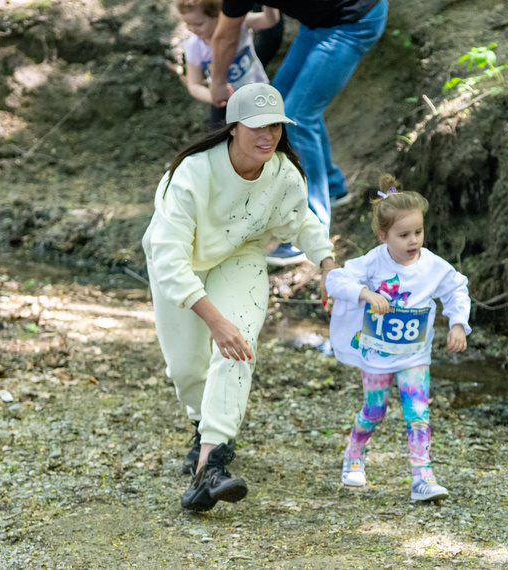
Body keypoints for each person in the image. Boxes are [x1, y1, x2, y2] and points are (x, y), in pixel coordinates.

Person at [142, 83, 336, 511]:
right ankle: (203, 431)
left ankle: (212, 461)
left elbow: (301, 222)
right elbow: (169, 258)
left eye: (275, 126)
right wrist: (214, 320)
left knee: (238, 345)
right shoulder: (193, 173)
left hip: (239, 255)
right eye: (256, 127)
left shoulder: (283, 173)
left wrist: (327, 265)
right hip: (181, 264)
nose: (267, 135)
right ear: (233, 128)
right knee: (185, 367)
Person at [208, 0, 389, 266]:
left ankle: (311, 233)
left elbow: (225, 37)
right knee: (278, 105)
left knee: (296, 118)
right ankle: (333, 186)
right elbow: (228, 29)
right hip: (318, 24)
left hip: (355, 20)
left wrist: (218, 84)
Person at [325, 174, 471, 502]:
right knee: (375, 409)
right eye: (403, 235)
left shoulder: (433, 266)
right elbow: (336, 279)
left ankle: (422, 477)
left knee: (418, 413)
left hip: (415, 355)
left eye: (418, 232)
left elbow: (456, 289)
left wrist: (458, 324)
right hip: (377, 353)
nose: (413, 241)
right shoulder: (373, 262)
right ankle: (353, 455)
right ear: (383, 235)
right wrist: (364, 293)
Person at [176, 0, 280, 127]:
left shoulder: (239, 24)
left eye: (199, 24)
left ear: (218, 15)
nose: (193, 29)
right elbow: (194, 85)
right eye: (188, 24)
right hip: (224, 102)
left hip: (258, 92)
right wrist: (213, 97)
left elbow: (270, 20)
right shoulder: (194, 46)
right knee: (219, 137)